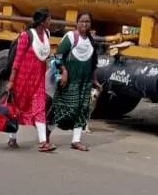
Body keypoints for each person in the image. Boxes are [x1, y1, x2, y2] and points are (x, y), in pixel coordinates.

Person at [5, 8, 54, 152]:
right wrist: (11, 81)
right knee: (18, 107)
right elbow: (17, 60)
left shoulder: (46, 35)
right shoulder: (26, 36)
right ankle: (12, 138)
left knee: (40, 108)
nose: (51, 22)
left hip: (38, 80)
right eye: (49, 19)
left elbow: (44, 56)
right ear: (43, 21)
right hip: (23, 79)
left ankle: (43, 142)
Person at [48, 12, 99, 152]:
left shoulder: (91, 41)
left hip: (85, 82)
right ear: (77, 23)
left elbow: (94, 62)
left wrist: (94, 79)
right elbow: (58, 55)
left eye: (87, 21)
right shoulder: (70, 37)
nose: (84, 24)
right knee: (65, 109)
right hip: (70, 81)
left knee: (82, 110)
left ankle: (76, 140)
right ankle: (47, 130)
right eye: (82, 21)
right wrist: (64, 71)